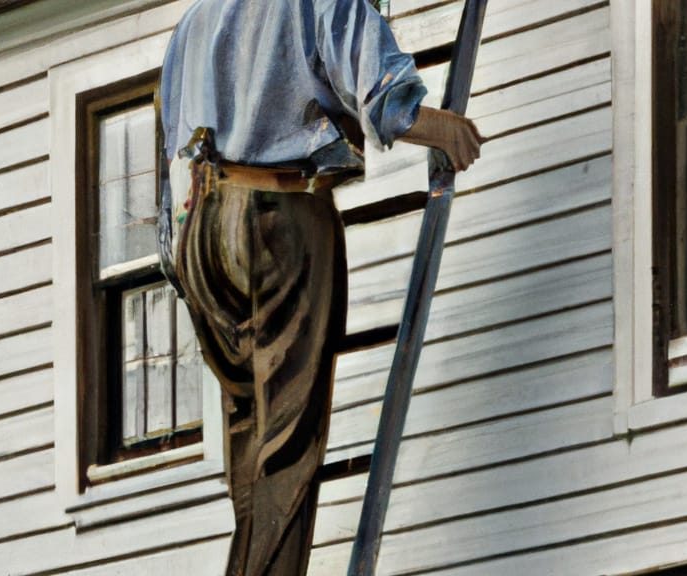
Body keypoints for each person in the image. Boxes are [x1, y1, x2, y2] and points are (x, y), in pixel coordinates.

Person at [157, 1, 481, 574]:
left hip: (202, 227)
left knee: (250, 440)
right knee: (286, 445)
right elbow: (390, 105)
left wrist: (188, 257)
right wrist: (447, 129)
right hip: (280, 214)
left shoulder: (196, 19)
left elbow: (173, 158)